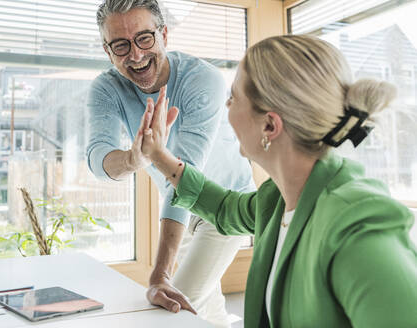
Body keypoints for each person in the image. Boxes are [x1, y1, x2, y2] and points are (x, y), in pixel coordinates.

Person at [138, 34, 417, 327]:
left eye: (233, 98)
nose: (226, 108)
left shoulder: (355, 228)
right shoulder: (276, 200)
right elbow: (224, 208)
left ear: (269, 125)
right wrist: (157, 153)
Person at [86, 1, 256, 326]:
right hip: (179, 214)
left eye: (145, 38)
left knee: (174, 310)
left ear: (163, 34)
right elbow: (98, 157)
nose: (135, 55)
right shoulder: (106, 88)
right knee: (208, 311)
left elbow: (185, 176)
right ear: (108, 51)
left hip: (225, 208)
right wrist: (132, 160)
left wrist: (160, 274)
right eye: (121, 45)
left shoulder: (201, 79)